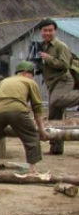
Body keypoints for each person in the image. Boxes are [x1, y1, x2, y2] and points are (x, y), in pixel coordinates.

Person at [0, 61, 49, 174]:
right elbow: (37, 107)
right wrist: (41, 130)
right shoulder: (30, 82)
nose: (33, 77)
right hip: (18, 111)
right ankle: (32, 168)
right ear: (26, 72)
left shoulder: (3, 81)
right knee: (31, 136)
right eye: (33, 74)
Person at [37, 19, 79, 155]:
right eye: (45, 30)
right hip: (52, 83)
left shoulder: (61, 46)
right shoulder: (41, 46)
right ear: (41, 32)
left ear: (55, 31)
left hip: (64, 80)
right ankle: (56, 148)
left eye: (50, 30)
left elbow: (64, 65)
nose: (48, 33)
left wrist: (48, 58)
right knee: (54, 116)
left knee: (56, 101)